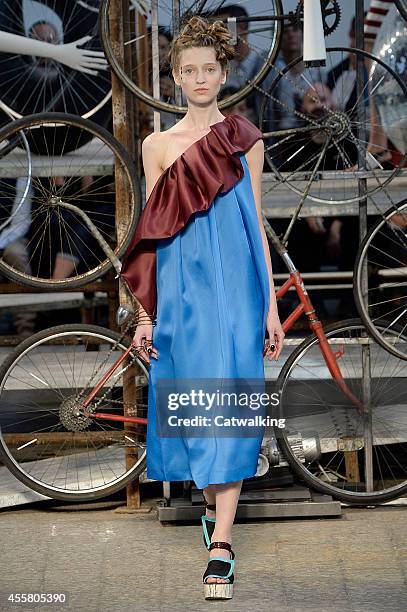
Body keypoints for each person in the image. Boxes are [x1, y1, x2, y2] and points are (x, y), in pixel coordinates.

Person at [119, 15, 284, 600]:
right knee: (197, 401)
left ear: (223, 73)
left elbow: (256, 224)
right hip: (185, 292)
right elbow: (154, 232)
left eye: (209, 69)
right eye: (188, 70)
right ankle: (214, 511)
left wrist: (269, 306)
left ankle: (223, 544)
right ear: (174, 78)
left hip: (238, 289)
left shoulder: (245, 139)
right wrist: (147, 314)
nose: (199, 78)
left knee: (233, 400)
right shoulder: (157, 146)